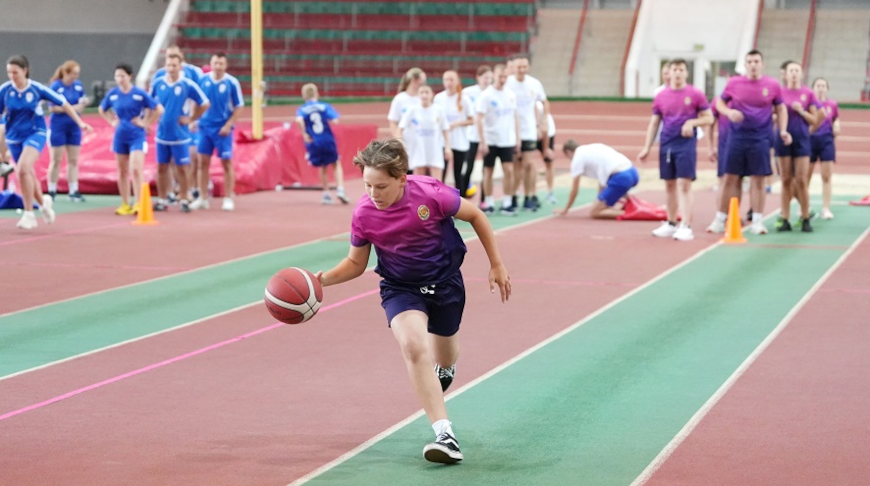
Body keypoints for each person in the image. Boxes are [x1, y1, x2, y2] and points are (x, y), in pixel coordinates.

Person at [315, 138, 511, 464]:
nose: (373, 194)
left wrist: (497, 263)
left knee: (445, 355)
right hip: (399, 288)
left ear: (401, 178)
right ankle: (445, 434)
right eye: (367, 185)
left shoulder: (431, 195)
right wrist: (320, 281)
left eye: (381, 186)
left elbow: (476, 215)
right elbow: (356, 263)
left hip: (446, 284)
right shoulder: (364, 214)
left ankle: (444, 367)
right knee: (414, 346)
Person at [0, 55, 92, 229]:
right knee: (29, 175)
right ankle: (44, 205)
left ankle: (29, 214)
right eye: (9, 72)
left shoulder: (36, 89)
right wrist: (1, 145)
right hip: (13, 137)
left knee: (23, 169)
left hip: (36, 133)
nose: (12, 76)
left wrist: (80, 123)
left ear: (25, 71)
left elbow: (64, 104)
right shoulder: (4, 91)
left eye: (15, 72)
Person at [707, 50, 788, 235]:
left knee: (758, 180)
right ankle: (720, 219)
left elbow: (781, 108)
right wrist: (728, 113)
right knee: (729, 178)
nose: (753, 64)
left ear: (762, 64)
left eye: (756, 61)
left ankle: (758, 221)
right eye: (749, 61)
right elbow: (719, 103)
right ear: (745, 64)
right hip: (737, 138)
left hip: (760, 138)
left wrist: (782, 130)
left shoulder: (772, 85)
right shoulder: (734, 83)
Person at [638, 59, 713, 241]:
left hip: (685, 144)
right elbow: (655, 122)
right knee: (669, 184)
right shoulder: (661, 96)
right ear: (668, 73)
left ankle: (685, 225)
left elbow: (709, 118)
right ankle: (671, 223)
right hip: (666, 144)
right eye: (674, 69)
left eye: (681, 70)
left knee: (684, 184)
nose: (677, 73)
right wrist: (646, 147)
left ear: (686, 73)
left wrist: (692, 122)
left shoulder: (695, 94)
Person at [98, 63, 163, 216]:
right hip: (120, 137)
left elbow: (158, 109)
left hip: (137, 136)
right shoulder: (113, 94)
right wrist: (111, 121)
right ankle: (125, 203)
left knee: (135, 168)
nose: (119, 79)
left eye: (122, 76)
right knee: (122, 170)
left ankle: (140, 202)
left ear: (129, 76)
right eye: (117, 76)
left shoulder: (139, 93)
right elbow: (102, 109)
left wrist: (145, 123)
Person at [150, 53, 209, 212]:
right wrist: (148, 121)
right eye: (168, 65)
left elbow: (204, 103)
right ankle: (162, 199)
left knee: (182, 167)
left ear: (180, 66)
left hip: (180, 135)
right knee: (161, 167)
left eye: (174, 65)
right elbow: (150, 103)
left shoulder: (187, 85)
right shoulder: (157, 83)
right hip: (162, 135)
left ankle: (184, 197)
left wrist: (191, 119)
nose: (171, 69)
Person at [192, 52, 244, 211]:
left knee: (226, 163)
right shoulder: (202, 80)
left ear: (225, 65)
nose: (218, 66)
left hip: (222, 129)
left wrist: (228, 125)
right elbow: (197, 101)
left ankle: (228, 197)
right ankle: (202, 197)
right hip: (205, 128)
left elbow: (239, 106)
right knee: (202, 162)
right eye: (215, 63)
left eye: (221, 63)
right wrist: (194, 119)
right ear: (211, 64)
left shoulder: (231, 82)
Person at [775, 61, 820, 232]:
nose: (794, 73)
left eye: (797, 70)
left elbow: (815, 119)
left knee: (801, 180)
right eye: (791, 70)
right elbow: (773, 113)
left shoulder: (808, 93)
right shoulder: (779, 93)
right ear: (785, 74)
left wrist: (802, 111)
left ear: (801, 74)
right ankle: (785, 218)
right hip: (782, 138)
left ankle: (805, 217)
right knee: (785, 179)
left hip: (801, 139)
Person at [554, 139, 639, 219]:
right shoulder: (591, 149)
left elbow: (574, 190)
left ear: (568, 152)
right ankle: (630, 207)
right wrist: (599, 199)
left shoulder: (577, 158)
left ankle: (633, 213)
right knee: (602, 204)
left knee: (595, 212)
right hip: (633, 172)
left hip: (621, 177)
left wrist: (565, 209)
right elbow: (601, 180)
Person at [506, 55, 549, 211]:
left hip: (530, 130)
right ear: (514, 67)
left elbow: (544, 102)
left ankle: (529, 196)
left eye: (524, 67)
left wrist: (542, 122)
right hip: (512, 131)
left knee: (529, 164)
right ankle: (513, 195)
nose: (522, 70)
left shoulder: (534, 83)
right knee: (516, 166)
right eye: (519, 67)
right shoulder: (508, 83)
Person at [476, 64, 520, 215]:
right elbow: (479, 119)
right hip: (491, 139)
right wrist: (483, 141)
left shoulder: (510, 94)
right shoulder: (486, 95)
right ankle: (488, 202)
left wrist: (517, 138)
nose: (502, 79)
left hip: (507, 139)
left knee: (509, 170)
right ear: (494, 75)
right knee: (488, 171)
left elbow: (515, 117)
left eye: (505, 77)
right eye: (500, 76)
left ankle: (507, 202)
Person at [295, 83, 348, 205]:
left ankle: (326, 193)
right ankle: (340, 189)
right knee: (336, 163)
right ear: (317, 93)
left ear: (304, 96)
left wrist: (304, 134)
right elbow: (335, 120)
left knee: (323, 166)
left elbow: (299, 120)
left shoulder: (302, 109)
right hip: (327, 139)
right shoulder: (324, 106)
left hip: (313, 141)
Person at [47, 60, 89, 202]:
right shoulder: (56, 86)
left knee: (73, 159)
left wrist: (82, 105)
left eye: (77, 74)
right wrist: (70, 108)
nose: (75, 77)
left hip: (74, 127)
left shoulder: (78, 86)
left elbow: (82, 103)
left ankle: (73, 190)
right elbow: (52, 107)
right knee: (56, 159)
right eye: (73, 74)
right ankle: (52, 189)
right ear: (66, 73)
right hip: (58, 126)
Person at [434, 70, 474, 197]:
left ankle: (460, 203)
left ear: (457, 81)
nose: (449, 83)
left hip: (460, 142)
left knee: (458, 174)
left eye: (452, 80)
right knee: (442, 172)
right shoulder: (438, 98)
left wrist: (456, 124)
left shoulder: (464, 99)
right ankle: (442, 202)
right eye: (446, 79)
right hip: (443, 143)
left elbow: (472, 120)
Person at [399, 85, 451, 181]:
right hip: (418, 149)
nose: (424, 95)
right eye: (422, 92)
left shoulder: (439, 110)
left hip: (435, 149)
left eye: (427, 92)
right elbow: (400, 128)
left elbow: (445, 129)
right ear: (418, 95)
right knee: (418, 182)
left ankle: (435, 196)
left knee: (437, 182)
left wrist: (447, 147)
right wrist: (401, 143)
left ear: (432, 95)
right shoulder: (412, 110)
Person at [462, 65, 492, 206]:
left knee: (486, 169)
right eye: (484, 77)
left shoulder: (493, 93)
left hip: (488, 136)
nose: (487, 80)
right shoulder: (468, 92)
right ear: (478, 78)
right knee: (468, 167)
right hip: (471, 136)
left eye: (489, 78)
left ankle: (484, 199)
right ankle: (461, 199)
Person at [809, 77, 839, 220]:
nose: (820, 88)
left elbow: (836, 119)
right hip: (810, 141)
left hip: (826, 141)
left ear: (827, 88)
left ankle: (826, 208)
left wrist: (837, 125)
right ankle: (805, 206)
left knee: (826, 176)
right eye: (818, 85)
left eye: (823, 85)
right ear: (813, 88)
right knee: (805, 177)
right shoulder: (809, 104)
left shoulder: (832, 104)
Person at [388, 68, 426, 138]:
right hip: (406, 141)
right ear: (413, 80)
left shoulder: (424, 98)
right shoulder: (399, 99)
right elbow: (393, 122)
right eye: (421, 82)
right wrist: (398, 140)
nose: (424, 85)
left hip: (422, 141)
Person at [536, 99, 558, 204]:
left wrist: (545, 148)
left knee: (548, 161)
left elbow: (546, 129)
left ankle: (550, 192)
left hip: (546, 133)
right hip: (528, 133)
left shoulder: (539, 107)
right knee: (524, 162)